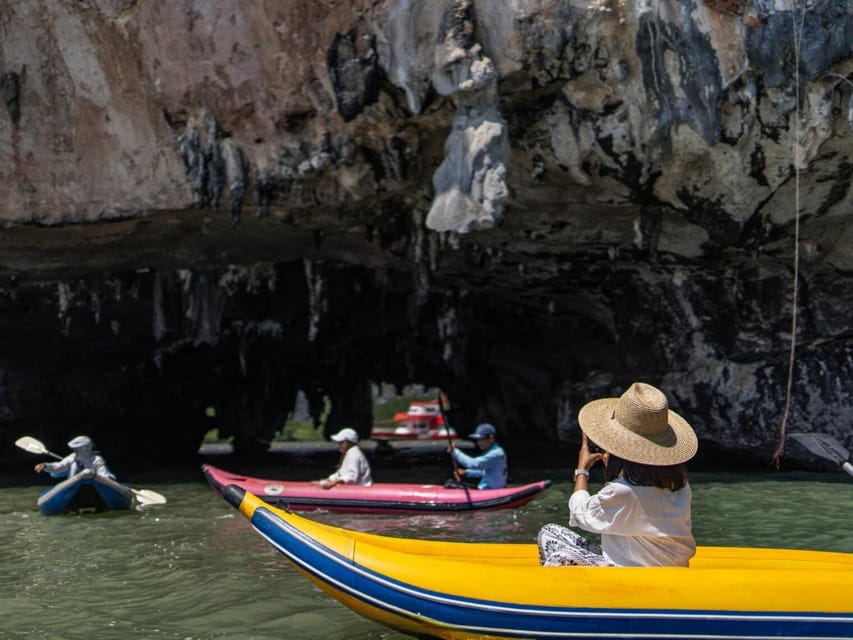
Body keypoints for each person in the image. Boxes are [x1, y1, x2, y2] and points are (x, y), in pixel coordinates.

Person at [537, 381, 698, 567]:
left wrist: (582, 470)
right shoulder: (681, 485)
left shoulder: (622, 491)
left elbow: (580, 513)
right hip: (675, 568)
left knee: (550, 533)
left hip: (632, 575)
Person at [447, 422, 507, 489]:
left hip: (490, 491)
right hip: (490, 489)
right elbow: (485, 472)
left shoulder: (495, 454)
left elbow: (473, 464)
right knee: (450, 482)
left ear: (491, 438)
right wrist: (467, 472)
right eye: (477, 440)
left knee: (450, 484)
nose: (478, 442)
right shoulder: (497, 451)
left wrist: (455, 452)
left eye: (481, 439)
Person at [34, 435, 116, 480]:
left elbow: (103, 474)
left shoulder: (97, 460)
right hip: (74, 484)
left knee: (107, 476)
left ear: (84, 449)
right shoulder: (72, 457)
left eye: (76, 450)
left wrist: (108, 480)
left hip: (94, 484)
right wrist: (45, 466)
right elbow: (59, 466)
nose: (74, 452)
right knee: (57, 473)